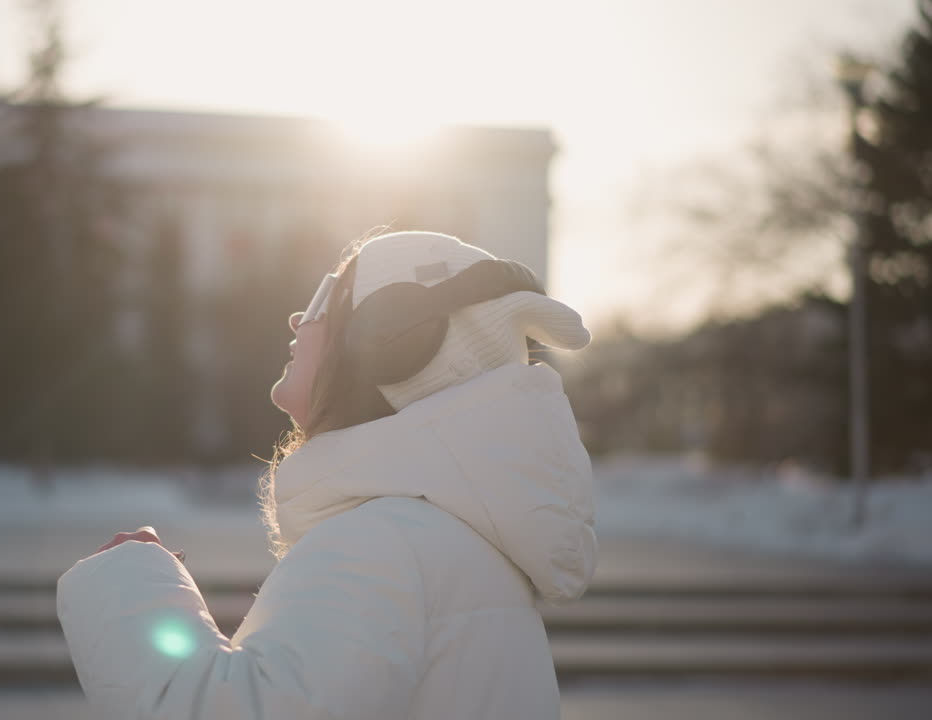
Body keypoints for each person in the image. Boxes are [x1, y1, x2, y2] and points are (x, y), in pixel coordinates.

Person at [56, 230, 596, 719]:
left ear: (392, 342)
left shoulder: (383, 543)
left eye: (324, 300)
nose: (299, 320)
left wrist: (130, 591)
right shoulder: (444, 536)